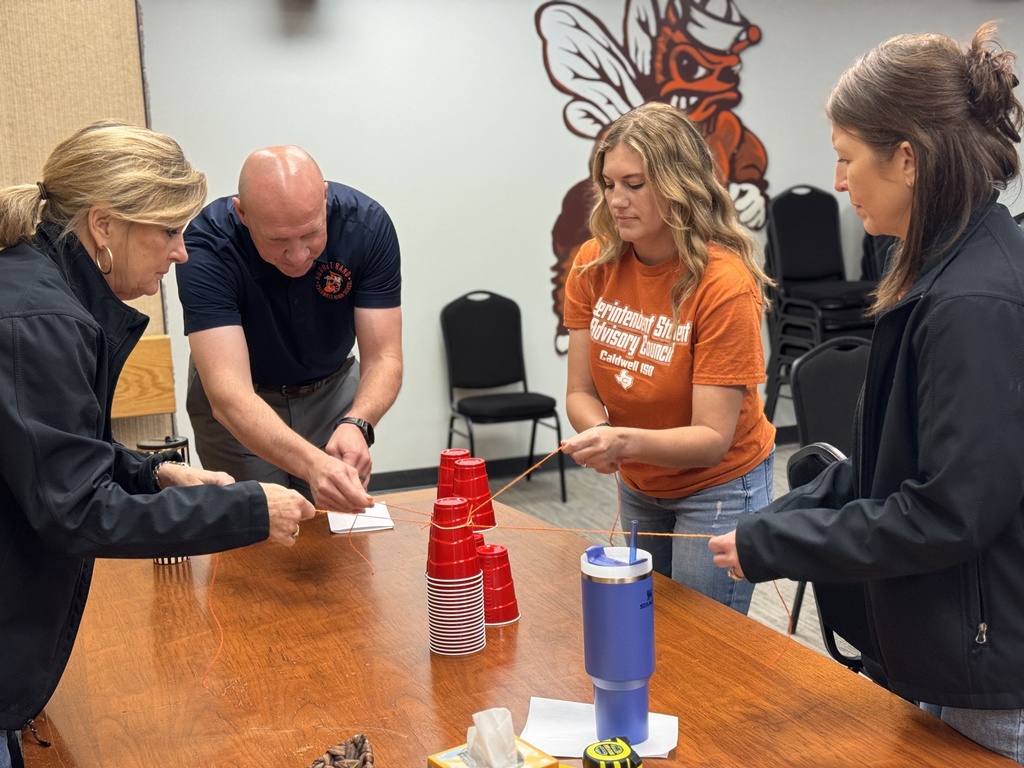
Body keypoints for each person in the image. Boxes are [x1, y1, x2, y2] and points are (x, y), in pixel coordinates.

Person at [708, 23, 1024, 764]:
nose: (839, 181)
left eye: (848, 159)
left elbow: (946, 514)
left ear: (907, 159)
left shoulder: (971, 303)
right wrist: (782, 517)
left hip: (990, 674)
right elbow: (891, 459)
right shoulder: (945, 273)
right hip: (953, 650)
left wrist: (779, 543)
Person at [0, 121, 315, 768]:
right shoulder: (45, 322)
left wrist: (150, 475)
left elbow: (38, 449)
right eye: (168, 232)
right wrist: (250, 510)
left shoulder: (37, 291)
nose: (182, 252)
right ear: (104, 227)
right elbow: (76, 511)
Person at [559, 102, 776, 614]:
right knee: (647, 630)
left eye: (635, 184)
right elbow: (579, 393)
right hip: (640, 481)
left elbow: (710, 441)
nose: (617, 200)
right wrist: (601, 438)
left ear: (678, 184)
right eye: (609, 184)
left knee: (701, 649)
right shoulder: (593, 264)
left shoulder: (723, 284)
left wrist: (622, 442)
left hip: (718, 488)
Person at [177, 146, 402, 514]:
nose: (298, 256)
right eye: (277, 240)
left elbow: (385, 357)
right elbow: (230, 395)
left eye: (312, 234)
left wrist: (359, 422)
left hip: (332, 393)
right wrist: (314, 464)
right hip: (244, 403)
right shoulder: (206, 245)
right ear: (243, 214)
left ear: (325, 199)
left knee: (339, 533)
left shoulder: (368, 226)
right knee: (260, 529)